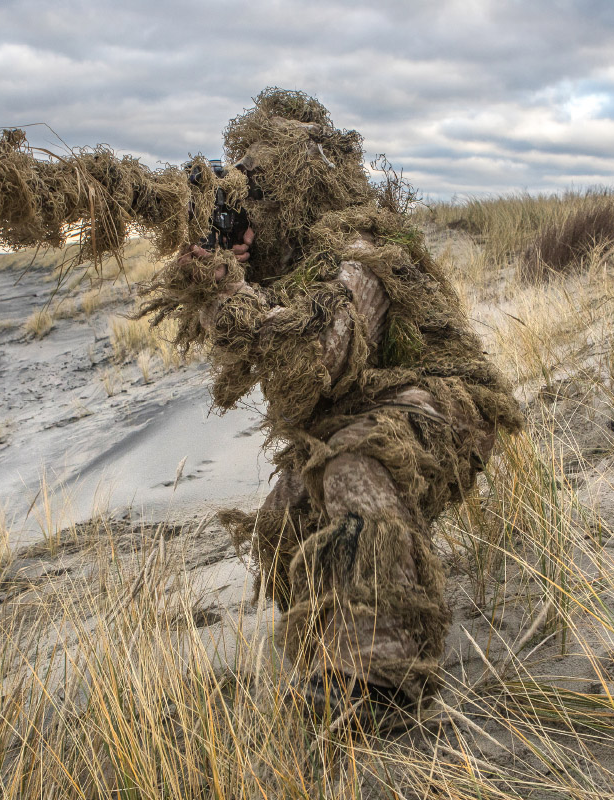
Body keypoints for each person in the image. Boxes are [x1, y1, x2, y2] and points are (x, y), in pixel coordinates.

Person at [141, 89, 524, 717]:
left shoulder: (357, 254)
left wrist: (233, 291)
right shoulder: (286, 269)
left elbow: (318, 358)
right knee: (286, 514)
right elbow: (267, 347)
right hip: (376, 406)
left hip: (447, 408)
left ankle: (385, 680)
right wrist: (230, 283)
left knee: (353, 465)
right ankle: (331, 648)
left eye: (259, 191)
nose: (247, 208)